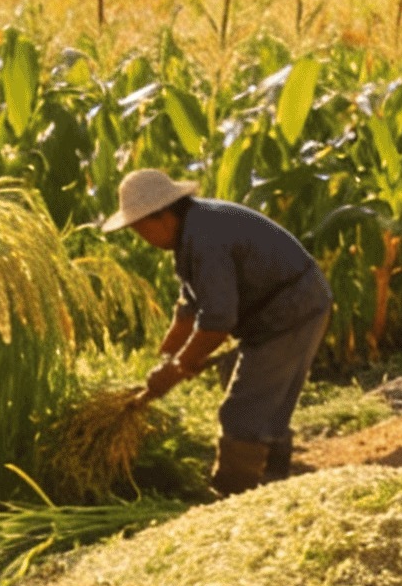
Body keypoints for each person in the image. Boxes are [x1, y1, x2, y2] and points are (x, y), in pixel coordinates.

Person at [104, 168, 333, 496]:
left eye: (141, 230)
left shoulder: (206, 239)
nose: (143, 239)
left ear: (163, 217)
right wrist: (168, 358)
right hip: (271, 311)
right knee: (253, 391)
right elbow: (189, 310)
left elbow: (217, 321)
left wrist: (178, 368)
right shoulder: (192, 231)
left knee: (242, 410)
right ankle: (273, 480)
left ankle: (233, 494)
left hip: (292, 310)